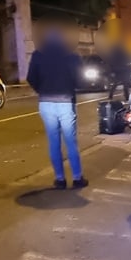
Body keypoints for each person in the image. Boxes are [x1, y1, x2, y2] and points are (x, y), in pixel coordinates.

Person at [27, 30, 88, 190]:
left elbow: (31, 78)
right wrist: (70, 87)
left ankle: (59, 179)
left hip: (46, 103)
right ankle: (77, 178)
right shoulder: (72, 56)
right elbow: (80, 80)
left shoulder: (38, 55)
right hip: (65, 102)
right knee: (70, 142)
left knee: (53, 142)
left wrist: (43, 90)